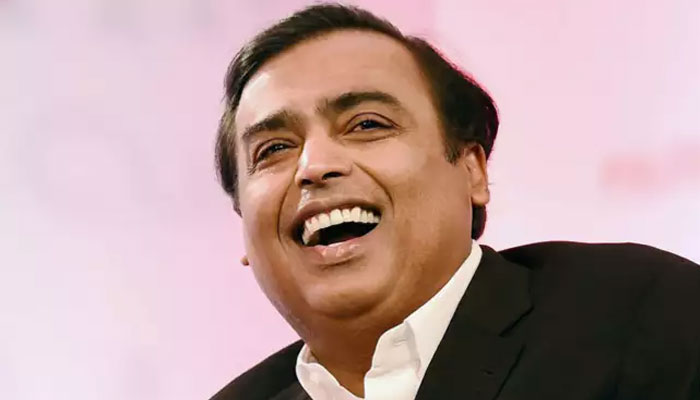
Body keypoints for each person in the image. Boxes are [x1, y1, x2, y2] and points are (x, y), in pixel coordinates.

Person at [210, 4, 700, 400]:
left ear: (472, 171)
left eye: (367, 125)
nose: (314, 165)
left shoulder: (643, 316)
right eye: (273, 150)